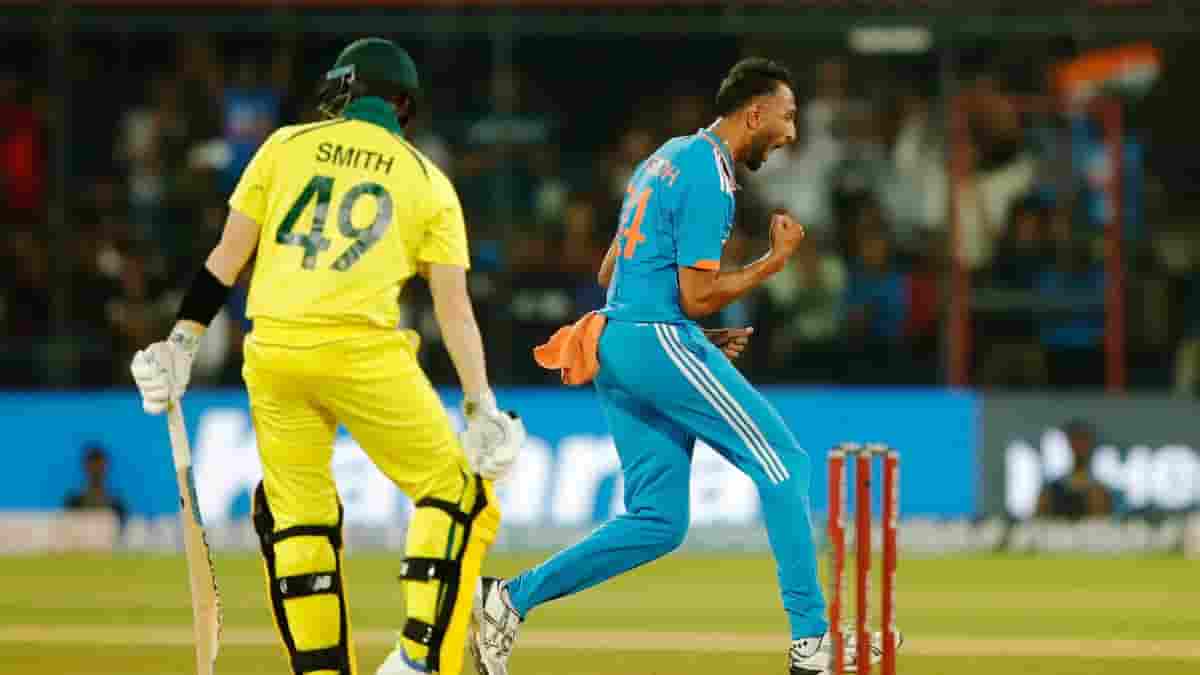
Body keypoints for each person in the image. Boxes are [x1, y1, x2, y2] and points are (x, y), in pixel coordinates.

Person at [471, 58, 899, 675]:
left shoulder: (665, 157)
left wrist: (680, 337)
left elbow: (610, 272)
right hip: (652, 339)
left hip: (619, 341)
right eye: (787, 117)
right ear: (754, 112)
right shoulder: (710, 174)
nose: (791, 133)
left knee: (658, 520)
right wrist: (774, 261)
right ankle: (812, 643)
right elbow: (696, 296)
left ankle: (509, 599)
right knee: (785, 465)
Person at [130, 38, 525, 675]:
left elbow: (226, 259)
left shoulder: (284, 146)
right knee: (458, 494)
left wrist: (182, 343)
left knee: (298, 520)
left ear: (349, 88)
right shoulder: (427, 180)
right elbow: (453, 308)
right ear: (403, 105)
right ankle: (417, 661)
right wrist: (481, 406)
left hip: (273, 350)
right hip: (360, 350)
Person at [1036, 419, 1114, 520]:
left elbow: (1103, 523)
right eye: (1074, 442)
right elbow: (1038, 522)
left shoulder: (1100, 493)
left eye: (1083, 442)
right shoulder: (1050, 492)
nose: (1078, 448)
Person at [63, 443, 127, 527]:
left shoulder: (118, 507)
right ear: (85, 467)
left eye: (100, 465)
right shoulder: (72, 504)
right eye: (92, 464)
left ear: (106, 467)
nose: (96, 469)